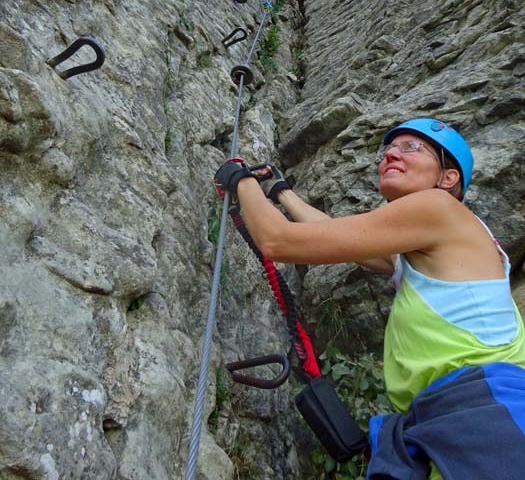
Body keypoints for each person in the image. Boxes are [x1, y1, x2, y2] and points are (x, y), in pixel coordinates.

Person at [214, 118, 525, 479]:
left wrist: (240, 178)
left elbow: (279, 242)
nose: (391, 153)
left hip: (484, 409)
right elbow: (329, 233)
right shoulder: (433, 244)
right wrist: (280, 191)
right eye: (388, 149)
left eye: (412, 147)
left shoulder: (437, 208)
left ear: (448, 178)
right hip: (451, 415)